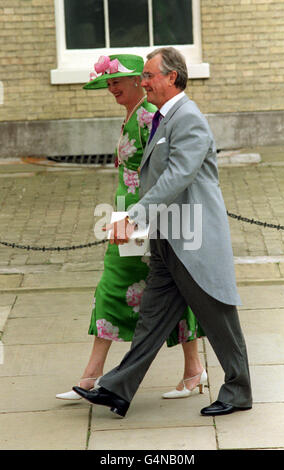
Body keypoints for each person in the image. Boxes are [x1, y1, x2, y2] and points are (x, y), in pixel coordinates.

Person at [73, 47, 253, 418]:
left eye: (150, 75)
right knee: (152, 320)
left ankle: (238, 390)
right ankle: (118, 389)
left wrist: (133, 217)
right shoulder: (163, 118)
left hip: (193, 238)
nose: (144, 82)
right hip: (169, 236)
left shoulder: (188, 118)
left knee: (217, 315)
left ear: (172, 77)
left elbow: (177, 176)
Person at [56, 54, 207, 401]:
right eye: (107, 84)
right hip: (125, 214)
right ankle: (190, 370)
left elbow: (167, 171)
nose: (111, 88)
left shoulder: (146, 117)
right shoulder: (132, 115)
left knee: (119, 288)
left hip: (139, 217)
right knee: (166, 290)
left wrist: (138, 216)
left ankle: (92, 378)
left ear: (138, 81)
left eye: (116, 82)